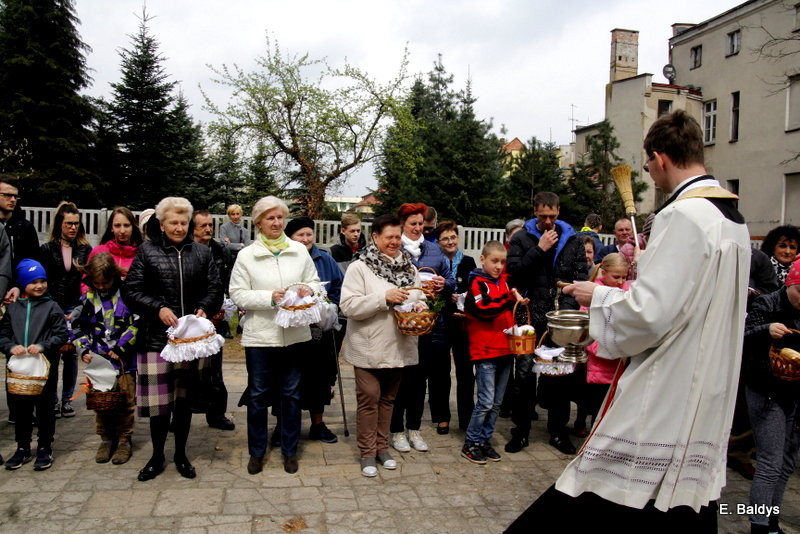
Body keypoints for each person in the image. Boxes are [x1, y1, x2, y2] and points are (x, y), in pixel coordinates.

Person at [506, 110, 751, 531]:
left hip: (668, 382)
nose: (651, 177)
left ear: (660, 158)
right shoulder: (733, 220)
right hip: (709, 381)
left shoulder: (683, 216)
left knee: (607, 484)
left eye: (648, 166)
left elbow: (648, 316)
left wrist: (596, 294)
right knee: (680, 502)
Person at [123, 197, 223, 482]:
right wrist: (158, 308)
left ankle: (181, 454)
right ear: (162, 224)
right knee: (159, 404)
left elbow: (215, 288)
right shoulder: (146, 251)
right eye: (173, 223)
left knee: (183, 401)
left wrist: (205, 305)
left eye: (183, 222)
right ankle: (157, 456)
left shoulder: (201, 254)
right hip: (157, 341)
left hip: (190, 342)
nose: (179, 228)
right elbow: (131, 291)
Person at [229, 196, 320, 476]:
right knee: (257, 396)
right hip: (261, 337)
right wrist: (270, 297)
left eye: (280, 217)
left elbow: (315, 283)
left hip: (294, 335)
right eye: (270, 218)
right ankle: (257, 451)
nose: (276, 222)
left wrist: (308, 290)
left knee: (291, 395)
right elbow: (237, 293)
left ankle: (289, 450)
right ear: (258, 222)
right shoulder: (247, 255)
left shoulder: (298, 250)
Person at [505, 191, 588, 455]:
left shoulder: (573, 241)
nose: (548, 222)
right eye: (543, 216)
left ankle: (558, 432)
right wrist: (539, 249)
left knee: (560, 376)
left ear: (559, 213)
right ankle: (521, 431)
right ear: (535, 213)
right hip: (530, 315)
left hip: (559, 319)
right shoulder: (521, 238)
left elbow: (579, 280)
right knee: (525, 375)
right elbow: (514, 274)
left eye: (552, 216)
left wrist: (563, 313)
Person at [339, 214, 421, 477]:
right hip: (368, 346)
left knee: (388, 400)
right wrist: (383, 297)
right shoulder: (360, 267)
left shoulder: (410, 267)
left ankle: (382, 448)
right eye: (389, 237)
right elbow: (348, 306)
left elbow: (419, 296)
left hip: (398, 345)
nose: (395, 242)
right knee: (369, 399)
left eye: (398, 237)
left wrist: (420, 306)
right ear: (375, 237)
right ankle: (366, 453)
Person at [742, 259, 800, 534]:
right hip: (766, 390)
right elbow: (741, 336)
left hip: (796, 391)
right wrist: (766, 330)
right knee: (770, 461)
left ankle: (772, 521)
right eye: (799, 289)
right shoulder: (766, 303)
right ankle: (759, 524)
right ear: (789, 283)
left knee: (787, 461)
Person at [390, 203, 454, 450]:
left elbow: (450, 280)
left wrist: (442, 284)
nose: (418, 228)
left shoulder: (434, 250)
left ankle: (414, 429)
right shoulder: (394, 248)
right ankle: (396, 430)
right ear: (402, 225)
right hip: (399, 324)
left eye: (421, 224)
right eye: (413, 224)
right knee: (399, 380)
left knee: (419, 380)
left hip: (426, 324)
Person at [281, 216, 343, 444]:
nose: (306, 239)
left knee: (319, 376)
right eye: (300, 235)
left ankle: (318, 423)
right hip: (290, 330)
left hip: (319, 331)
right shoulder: (284, 259)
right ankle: (284, 424)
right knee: (288, 377)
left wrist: (329, 306)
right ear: (291, 238)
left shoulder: (325, 259)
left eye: (309, 234)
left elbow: (338, 288)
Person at [1, 259, 68, 470]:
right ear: (22, 284)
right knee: (20, 408)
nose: (39, 286)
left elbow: (61, 334)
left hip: (44, 367)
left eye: (42, 281)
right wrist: (11, 347)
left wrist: (42, 345)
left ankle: (44, 446)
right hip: (20, 369)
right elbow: (3, 335)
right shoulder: (13, 309)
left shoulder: (52, 307)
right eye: (33, 282)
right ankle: (22, 447)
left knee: (46, 408)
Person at [461, 240, 524, 464]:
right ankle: (471, 442)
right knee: (485, 402)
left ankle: (485, 441)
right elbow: (483, 310)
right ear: (483, 260)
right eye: (494, 261)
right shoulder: (477, 283)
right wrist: (508, 301)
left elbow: (511, 311)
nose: (499, 266)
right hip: (485, 350)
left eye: (502, 262)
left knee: (497, 403)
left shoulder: (507, 284)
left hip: (505, 349)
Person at [72, 253, 138, 465]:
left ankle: (125, 440)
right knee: (101, 403)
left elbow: (137, 323)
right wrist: (83, 350)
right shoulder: (87, 299)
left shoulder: (127, 295)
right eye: (96, 283)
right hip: (99, 362)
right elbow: (75, 327)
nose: (101, 287)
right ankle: (106, 439)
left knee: (126, 401)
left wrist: (121, 347)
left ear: (114, 277)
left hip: (123, 361)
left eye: (105, 282)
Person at [39, 201, 92, 419]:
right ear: (60, 223)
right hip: (53, 307)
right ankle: (51, 400)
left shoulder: (85, 249)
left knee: (71, 355)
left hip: (76, 306)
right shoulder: (47, 249)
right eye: (68, 223)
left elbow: (87, 281)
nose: (72, 227)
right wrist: (54, 308)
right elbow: (44, 281)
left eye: (76, 224)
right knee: (51, 354)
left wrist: (79, 308)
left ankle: (67, 400)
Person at [572, 253, 630, 436]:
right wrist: (600, 347)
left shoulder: (627, 292)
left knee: (608, 402)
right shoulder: (592, 294)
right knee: (590, 399)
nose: (621, 281)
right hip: (598, 359)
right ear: (603, 273)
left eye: (624, 277)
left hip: (617, 359)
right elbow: (586, 329)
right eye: (616, 276)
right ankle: (585, 427)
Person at [191, 210, 236, 431]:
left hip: (214, 316)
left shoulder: (220, 250)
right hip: (188, 317)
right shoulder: (185, 250)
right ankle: (178, 415)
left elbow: (225, 283)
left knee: (214, 369)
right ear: (193, 229)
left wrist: (222, 308)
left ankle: (216, 414)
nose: (208, 229)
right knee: (184, 370)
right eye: (202, 226)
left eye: (210, 225)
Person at [436, 220, 477, 431]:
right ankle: (442, 417)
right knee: (441, 372)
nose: (450, 241)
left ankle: (466, 417)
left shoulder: (469, 262)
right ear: (438, 242)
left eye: (453, 237)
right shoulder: (436, 263)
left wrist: (463, 296)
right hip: (441, 322)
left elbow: (474, 288)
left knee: (465, 371)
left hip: (463, 323)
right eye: (445, 238)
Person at [88, 207, 143, 275]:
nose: (122, 231)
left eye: (126, 225)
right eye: (117, 226)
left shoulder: (141, 255)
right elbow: (85, 282)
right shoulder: (98, 251)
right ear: (111, 228)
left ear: (133, 227)